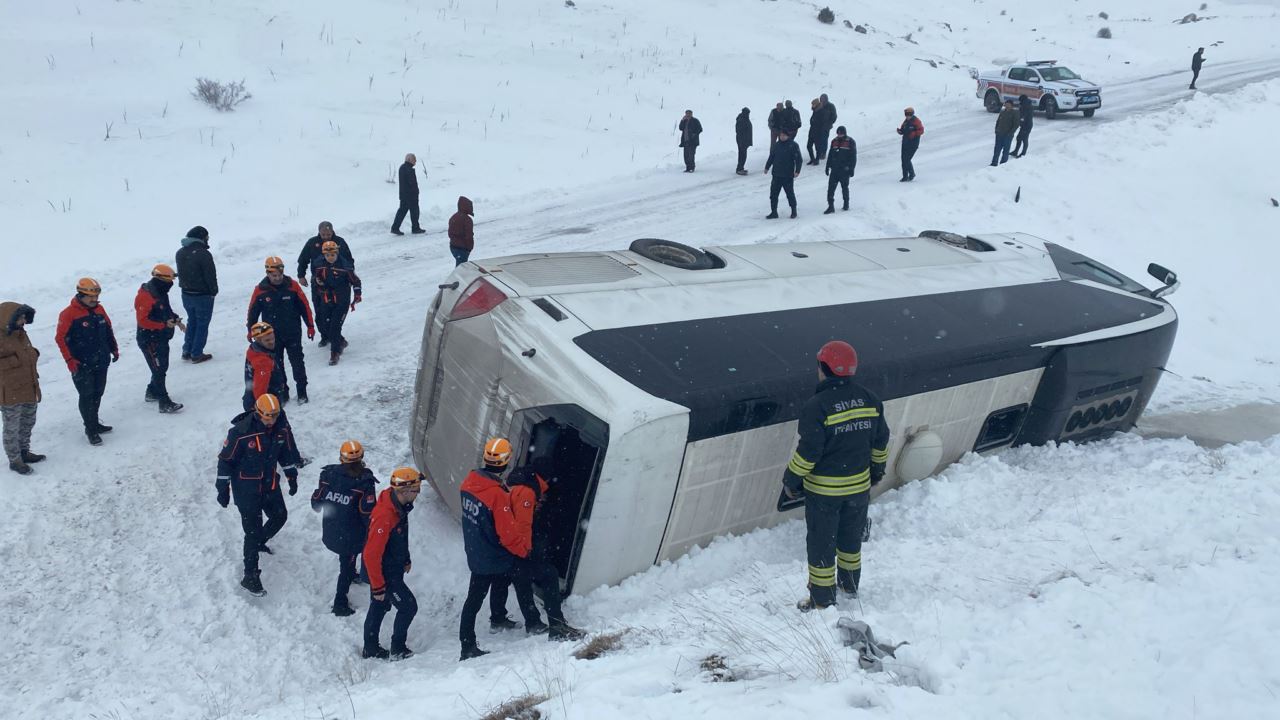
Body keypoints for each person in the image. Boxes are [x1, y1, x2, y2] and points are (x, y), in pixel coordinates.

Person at [781, 341, 890, 611]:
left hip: (824, 494)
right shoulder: (870, 399)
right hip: (858, 491)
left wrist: (790, 480)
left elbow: (809, 453)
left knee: (821, 545)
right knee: (850, 541)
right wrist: (875, 473)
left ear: (823, 368)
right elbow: (880, 442)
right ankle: (849, 585)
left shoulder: (816, 406)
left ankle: (822, 600)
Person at [216, 393, 301, 597]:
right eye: (267, 416)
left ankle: (259, 541)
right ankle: (250, 575)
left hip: (270, 485)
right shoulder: (240, 433)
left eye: (274, 415)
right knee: (251, 532)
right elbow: (225, 460)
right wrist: (222, 488)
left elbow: (285, 453)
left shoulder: (281, 428)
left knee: (280, 516)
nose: (271, 420)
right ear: (257, 413)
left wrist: (291, 475)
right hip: (247, 491)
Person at [458, 438, 530, 660]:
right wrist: (523, 550)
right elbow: (507, 534)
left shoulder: (468, 483)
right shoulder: (497, 495)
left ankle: (498, 618)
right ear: (506, 462)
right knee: (477, 597)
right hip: (492, 553)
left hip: (476, 548)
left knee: (494, 584)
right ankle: (467, 645)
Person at [505, 464, 587, 641]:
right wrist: (525, 550)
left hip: (508, 547)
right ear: (545, 477)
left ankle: (533, 622)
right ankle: (557, 626)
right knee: (550, 574)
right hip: (518, 549)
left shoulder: (516, 486)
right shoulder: (527, 492)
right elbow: (523, 524)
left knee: (522, 582)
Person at [362, 466, 423, 660]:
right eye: (416, 490)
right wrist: (379, 587)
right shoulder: (385, 515)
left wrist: (405, 558)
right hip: (384, 574)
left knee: (378, 607)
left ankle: (370, 648)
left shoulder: (398, 506)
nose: (418, 494)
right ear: (404, 491)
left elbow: (398, 538)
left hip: (390, 569)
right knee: (408, 607)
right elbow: (371, 555)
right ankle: (398, 649)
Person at [311, 440, 378, 616]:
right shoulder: (365, 482)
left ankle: (352, 573)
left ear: (341, 458)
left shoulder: (328, 475)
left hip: (332, 532)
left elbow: (316, 503)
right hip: (352, 536)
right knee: (345, 567)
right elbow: (367, 513)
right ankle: (340, 602)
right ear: (362, 457)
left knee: (346, 561)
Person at [55, 278, 118, 446]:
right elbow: (60, 339)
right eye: (91, 297)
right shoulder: (68, 314)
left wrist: (114, 348)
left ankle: (95, 422)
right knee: (87, 395)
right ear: (81, 295)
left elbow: (108, 329)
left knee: (98, 392)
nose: (95, 300)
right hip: (81, 364)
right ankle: (90, 428)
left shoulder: (99, 309)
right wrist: (70, 360)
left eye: (97, 296)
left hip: (101, 359)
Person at [247, 256, 315, 403]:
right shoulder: (260, 290)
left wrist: (310, 326)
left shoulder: (292, 286)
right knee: (276, 366)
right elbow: (252, 311)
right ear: (268, 274)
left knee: (297, 363)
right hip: (271, 337)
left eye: (279, 275)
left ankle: (302, 392)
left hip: (293, 332)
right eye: (274, 276)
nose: (277, 278)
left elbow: (305, 306)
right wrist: (250, 330)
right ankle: (283, 393)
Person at [133, 264, 185, 414]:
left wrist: (176, 319)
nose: (171, 286)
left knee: (162, 367)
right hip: (149, 340)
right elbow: (143, 321)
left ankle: (152, 391)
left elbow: (166, 310)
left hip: (161, 338)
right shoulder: (146, 296)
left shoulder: (160, 292)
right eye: (169, 283)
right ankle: (164, 401)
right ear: (160, 280)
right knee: (158, 369)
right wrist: (163, 324)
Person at [0, 302, 43, 475]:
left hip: (29, 385)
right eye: (21, 317)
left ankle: (24, 451)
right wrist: (15, 361)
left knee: (28, 422)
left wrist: (33, 354)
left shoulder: (21, 333)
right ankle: (15, 460)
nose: (24, 320)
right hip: (10, 390)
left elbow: (27, 353)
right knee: (12, 427)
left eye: (25, 317)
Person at [309, 242, 362, 365]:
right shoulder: (319, 264)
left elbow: (356, 281)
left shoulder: (344, 266)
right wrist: (318, 282)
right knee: (322, 323)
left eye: (332, 254)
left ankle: (335, 352)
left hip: (341, 301)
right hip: (326, 300)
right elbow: (316, 279)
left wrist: (357, 294)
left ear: (337, 253)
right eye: (327, 255)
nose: (330, 257)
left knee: (334, 327)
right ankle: (341, 340)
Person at [175, 225, 217, 364]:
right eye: (207, 237)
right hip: (202, 295)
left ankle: (187, 350)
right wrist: (213, 291)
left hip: (186, 294)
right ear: (202, 238)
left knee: (192, 321)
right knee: (202, 324)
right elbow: (210, 276)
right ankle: (197, 353)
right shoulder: (204, 254)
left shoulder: (180, 252)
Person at [243, 321, 287, 411]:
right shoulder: (263, 362)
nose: (272, 342)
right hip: (267, 404)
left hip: (250, 399)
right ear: (258, 340)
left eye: (272, 338)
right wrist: (264, 408)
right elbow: (260, 388)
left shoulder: (253, 349)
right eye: (267, 340)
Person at [297, 221, 353, 291]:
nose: (326, 237)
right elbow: (303, 260)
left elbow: (348, 260)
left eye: (328, 234)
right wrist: (301, 276)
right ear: (319, 232)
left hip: (339, 280)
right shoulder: (312, 242)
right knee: (318, 301)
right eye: (323, 235)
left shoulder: (340, 242)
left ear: (332, 231)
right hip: (318, 280)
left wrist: (350, 277)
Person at [763, 129, 803, 219]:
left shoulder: (793, 145)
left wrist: (797, 171)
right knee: (773, 194)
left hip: (787, 175)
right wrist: (767, 167)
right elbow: (771, 157)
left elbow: (798, 159)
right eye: (781, 135)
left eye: (784, 135)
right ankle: (774, 212)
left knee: (789, 193)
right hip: (776, 174)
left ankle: (794, 211)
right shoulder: (776, 145)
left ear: (788, 136)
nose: (782, 137)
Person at [824, 126, 857, 214]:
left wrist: (851, 169)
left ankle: (846, 204)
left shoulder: (850, 142)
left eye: (841, 133)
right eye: (838, 133)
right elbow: (830, 155)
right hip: (834, 169)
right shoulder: (834, 141)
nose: (839, 135)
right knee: (830, 188)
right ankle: (831, 206)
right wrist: (827, 167)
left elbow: (853, 157)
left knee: (844, 187)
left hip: (844, 170)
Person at [391, 153, 425, 236]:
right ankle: (415, 228)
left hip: (404, 195)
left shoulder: (403, 168)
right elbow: (412, 183)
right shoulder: (408, 169)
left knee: (402, 211)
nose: (415, 161)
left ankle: (395, 228)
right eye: (414, 160)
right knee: (414, 212)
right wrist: (415, 192)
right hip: (411, 195)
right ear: (409, 160)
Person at [897, 107, 924, 182]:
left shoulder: (916, 121)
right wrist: (900, 131)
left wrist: (914, 133)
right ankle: (905, 176)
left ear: (912, 114)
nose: (907, 116)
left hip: (913, 143)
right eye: (906, 114)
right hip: (905, 143)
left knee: (907, 159)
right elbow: (903, 129)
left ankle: (912, 174)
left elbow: (921, 130)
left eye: (909, 114)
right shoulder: (905, 122)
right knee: (903, 160)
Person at [447, 196, 475, 266]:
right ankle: (459, 276)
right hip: (462, 248)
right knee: (462, 267)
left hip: (453, 246)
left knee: (460, 265)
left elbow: (450, 233)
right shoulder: (467, 220)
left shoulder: (453, 217)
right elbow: (469, 236)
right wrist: (469, 248)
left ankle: (459, 274)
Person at [992, 99, 1018, 166]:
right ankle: (994, 163)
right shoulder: (1002, 112)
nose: (1006, 105)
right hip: (999, 134)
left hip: (1008, 135)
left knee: (1006, 150)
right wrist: (996, 129)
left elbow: (1016, 125)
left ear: (1011, 105)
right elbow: (998, 121)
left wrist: (1010, 133)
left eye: (1008, 104)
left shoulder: (1014, 113)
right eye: (1006, 104)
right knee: (997, 149)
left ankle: (1003, 164)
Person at [813, 93, 837, 163]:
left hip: (826, 127)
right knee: (818, 140)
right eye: (821, 99)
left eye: (823, 98)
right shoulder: (819, 106)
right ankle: (819, 152)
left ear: (826, 99)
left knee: (824, 139)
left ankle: (823, 153)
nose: (822, 100)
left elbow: (834, 116)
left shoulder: (831, 106)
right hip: (818, 127)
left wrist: (830, 123)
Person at [735, 107, 753, 175]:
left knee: (742, 154)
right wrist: (744, 141)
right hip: (742, 140)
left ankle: (740, 168)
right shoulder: (742, 120)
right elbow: (740, 131)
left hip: (743, 140)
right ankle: (739, 168)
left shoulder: (743, 118)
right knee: (742, 155)